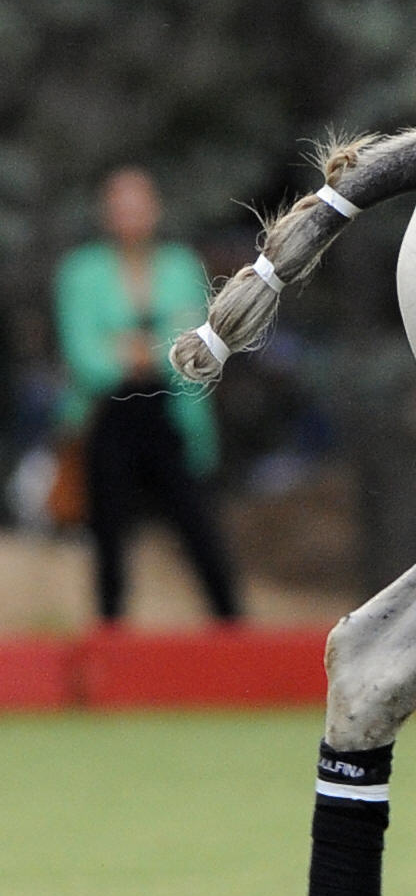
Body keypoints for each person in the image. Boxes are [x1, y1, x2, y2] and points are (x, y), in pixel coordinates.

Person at [54, 167, 239, 623]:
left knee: (199, 530)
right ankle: (112, 641)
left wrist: (128, 348)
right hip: (107, 416)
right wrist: (142, 353)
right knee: (109, 538)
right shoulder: (81, 272)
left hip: (169, 412)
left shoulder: (179, 266)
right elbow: (84, 354)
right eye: (120, 206)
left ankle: (233, 633)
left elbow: (193, 344)